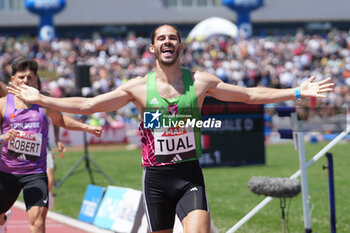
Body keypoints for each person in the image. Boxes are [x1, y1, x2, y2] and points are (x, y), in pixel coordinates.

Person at [8, 25, 334, 233]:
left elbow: (249, 94)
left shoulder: (201, 81)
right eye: (161, 38)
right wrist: (42, 97)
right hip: (155, 179)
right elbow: (88, 105)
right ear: (153, 49)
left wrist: (295, 92)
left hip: (189, 174)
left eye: (173, 37)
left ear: (180, 47)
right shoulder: (137, 87)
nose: (167, 41)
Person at [0, 58, 102, 233]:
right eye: (22, 77)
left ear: (36, 80)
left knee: (38, 223)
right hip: (7, 171)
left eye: (30, 77)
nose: (26, 81)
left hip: (35, 172)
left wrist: (87, 127)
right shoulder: (2, 105)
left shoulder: (44, 101)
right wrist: (3, 137)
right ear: (13, 79)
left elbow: (60, 119)